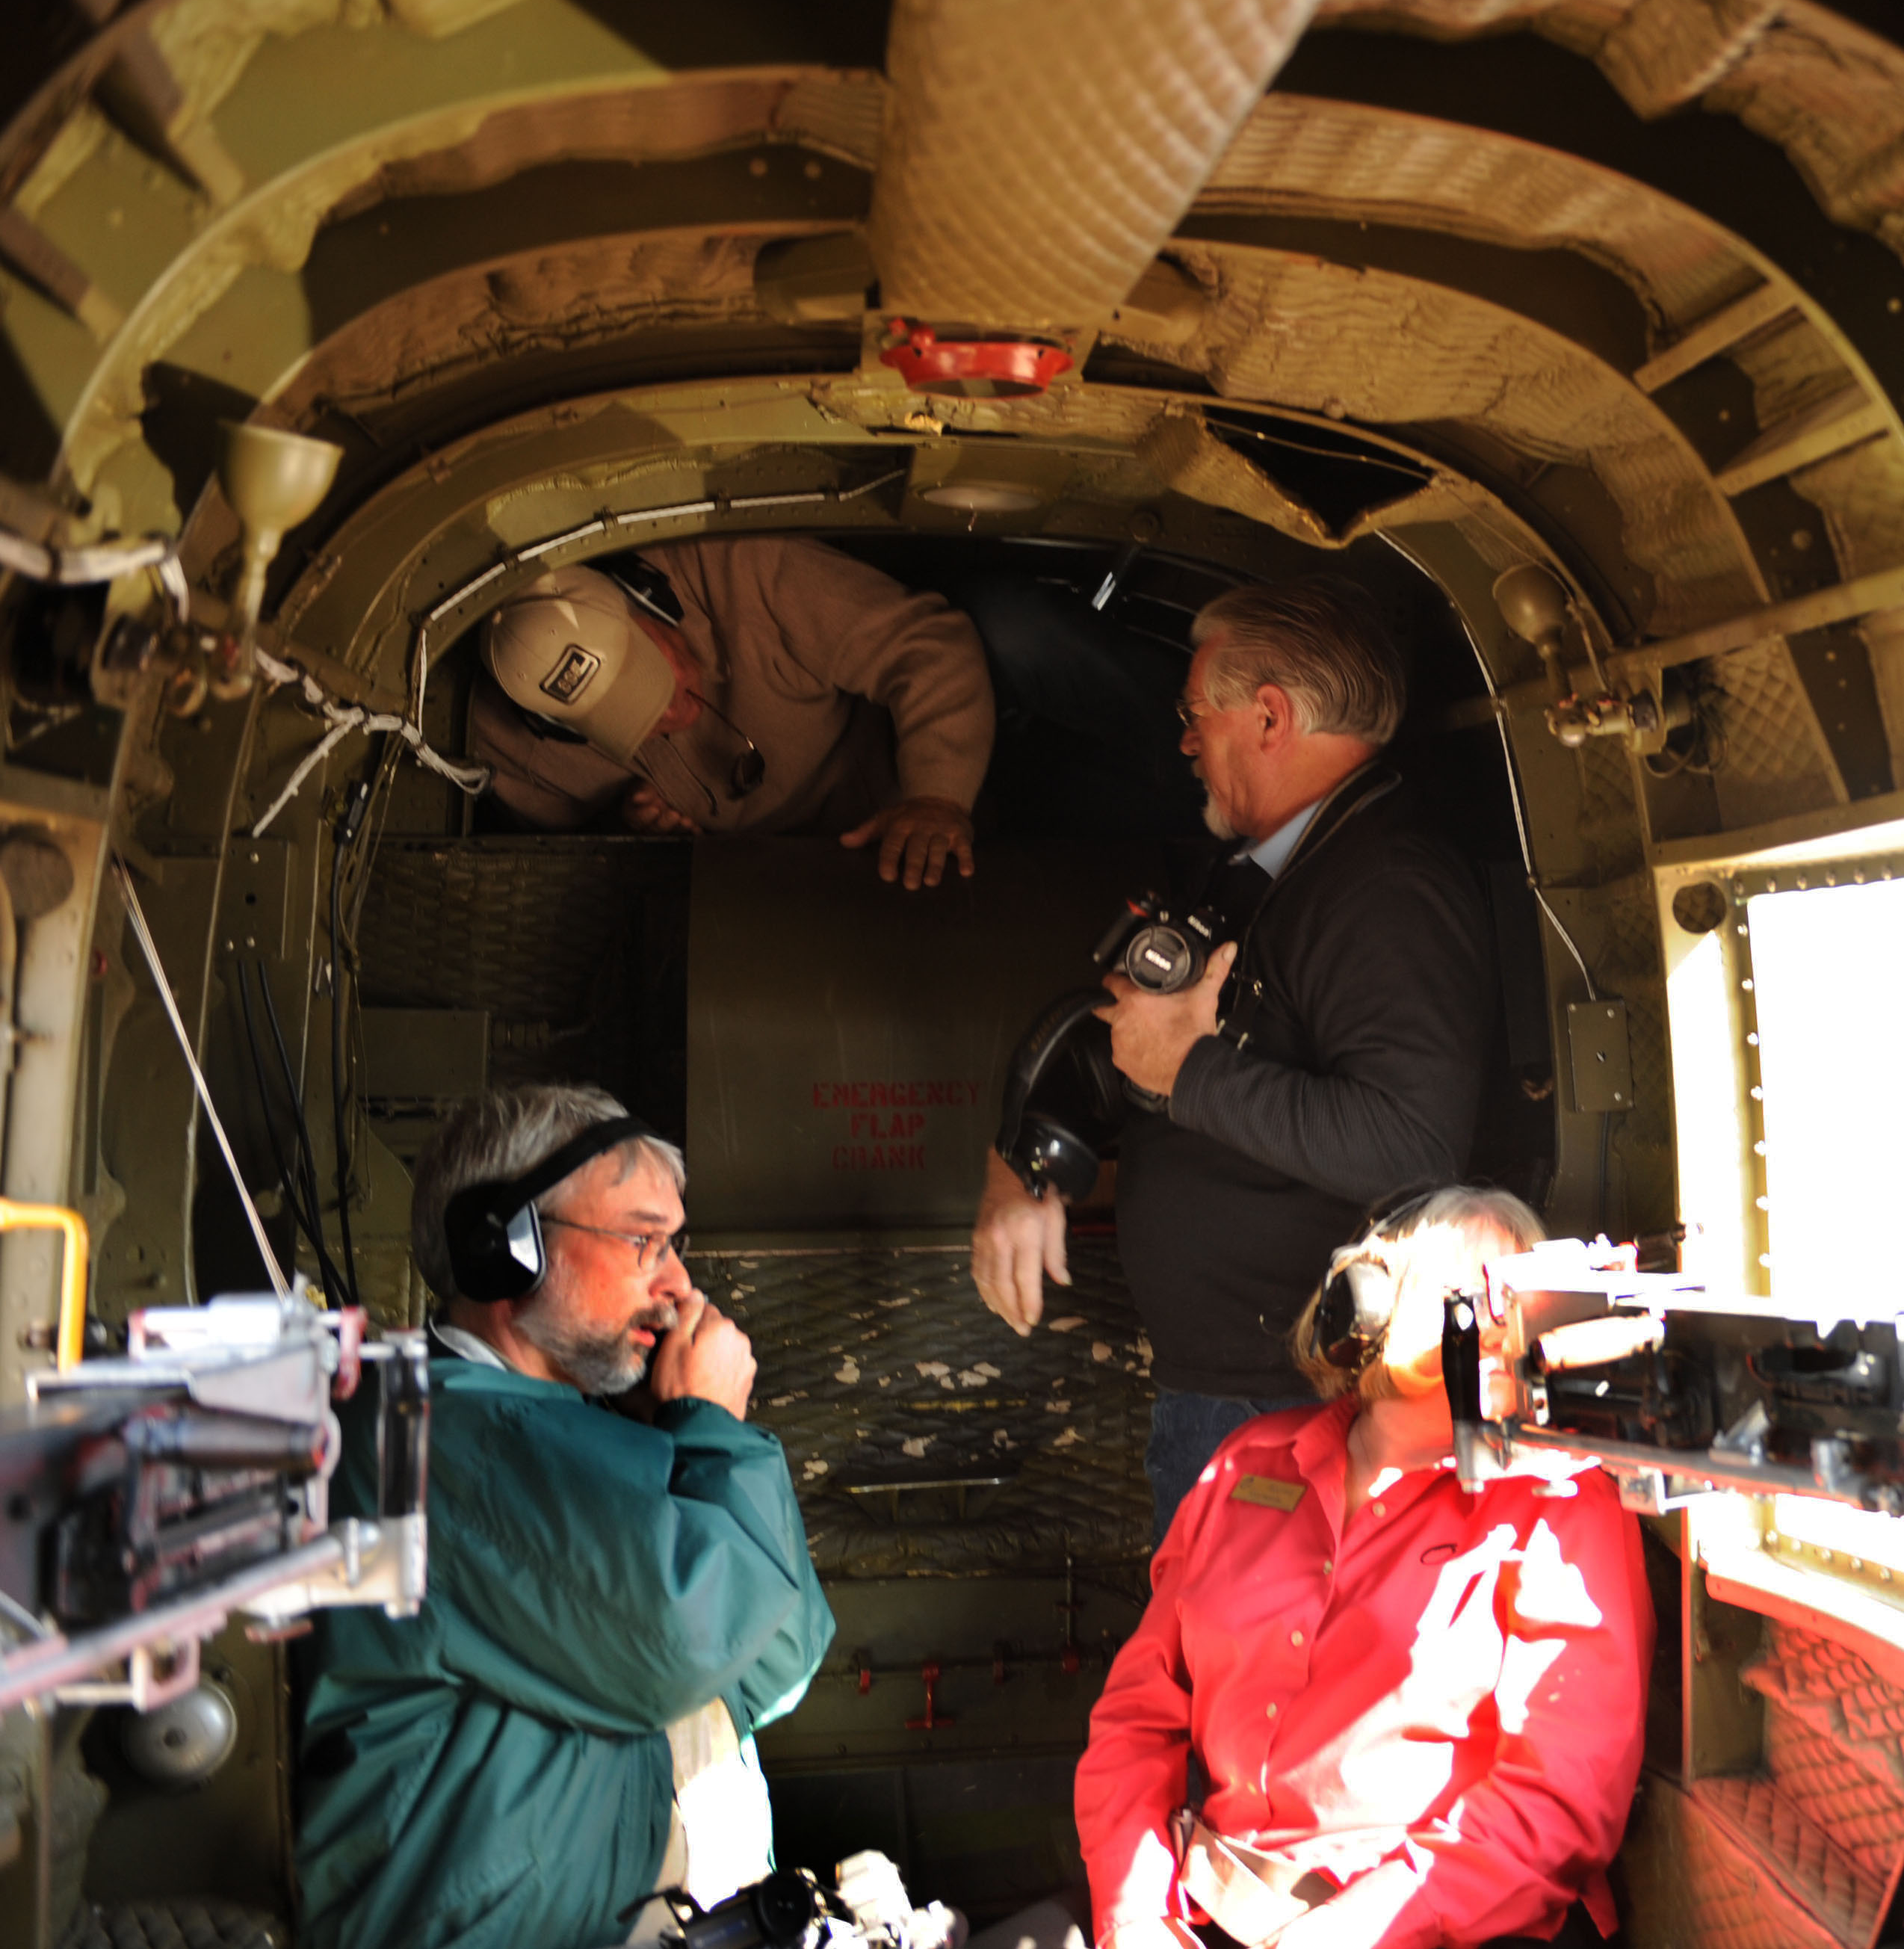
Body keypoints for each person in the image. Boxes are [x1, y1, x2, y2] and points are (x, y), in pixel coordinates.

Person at [969, 578, 1494, 1539]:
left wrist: (1190, 1073)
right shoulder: (1271, 873)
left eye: (1191, 715)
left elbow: (1410, 1144)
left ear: (1269, 716)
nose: (1181, 742)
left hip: (1292, 1414)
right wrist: (1024, 1163)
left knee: (1245, 1688)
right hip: (1234, 1403)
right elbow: (1120, 1038)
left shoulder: (1385, 888)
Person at [296, 1084, 835, 1949]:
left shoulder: (577, 1434)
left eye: (674, 1244)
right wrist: (715, 1434)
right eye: (641, 1240)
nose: (679, 1282)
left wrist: (696, 1437)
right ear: (501, 1249)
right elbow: (690, 1640)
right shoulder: (434, 1438)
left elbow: (778, 1656)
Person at [1074, 1188, 1654, 1949]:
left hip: (1446, 1928)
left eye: (1518, 1298)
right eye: (1475, 1291)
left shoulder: (1564, 1498)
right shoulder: (1245, 1466)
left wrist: (1349, 1933)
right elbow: (1135, 1719)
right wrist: (1138, 1920)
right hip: (1223, 1909)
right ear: (1366, 1305)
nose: (1500, 1324)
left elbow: (1559, 1798)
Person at [469, 534, 995, 888]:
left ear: (643, 602)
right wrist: (622, 831)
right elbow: (553, 869)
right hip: (743, 904)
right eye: (632, 718)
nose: (672, 715)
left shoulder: (747, 570)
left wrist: (937, 796)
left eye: (653, 676)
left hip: (903, 831)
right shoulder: (504, 743)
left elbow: (927, 646)